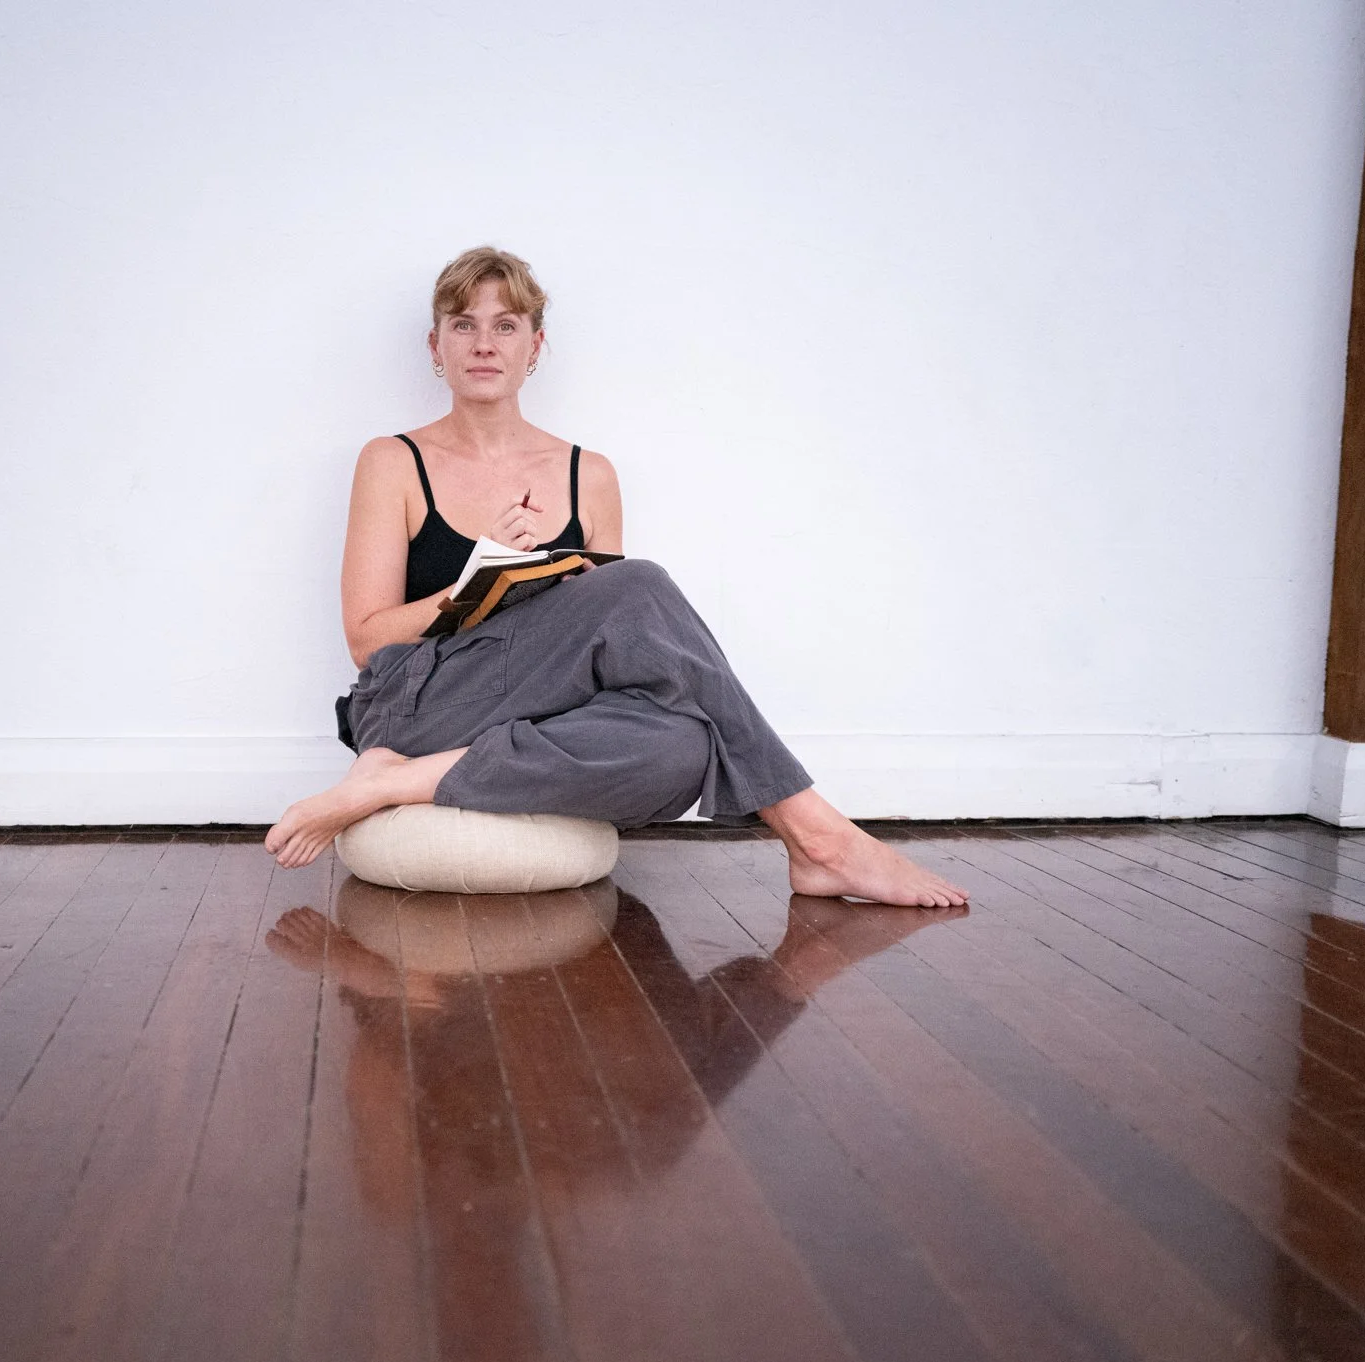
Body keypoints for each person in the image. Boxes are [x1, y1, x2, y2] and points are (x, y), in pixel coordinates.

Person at [263, 246, 967, 908]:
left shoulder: (586, 475)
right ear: (435, 346)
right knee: (640, 584)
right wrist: (475, 578)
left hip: (538, 704)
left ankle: (401, 781)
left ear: (535, 347)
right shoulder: (392, 461)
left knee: (684, 746)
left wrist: (556, 599)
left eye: (506, 325)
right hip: (418, 703)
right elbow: (366, 642)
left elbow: (627, 653)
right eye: (464, 324)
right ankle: (816, 834)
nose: (484, 343)